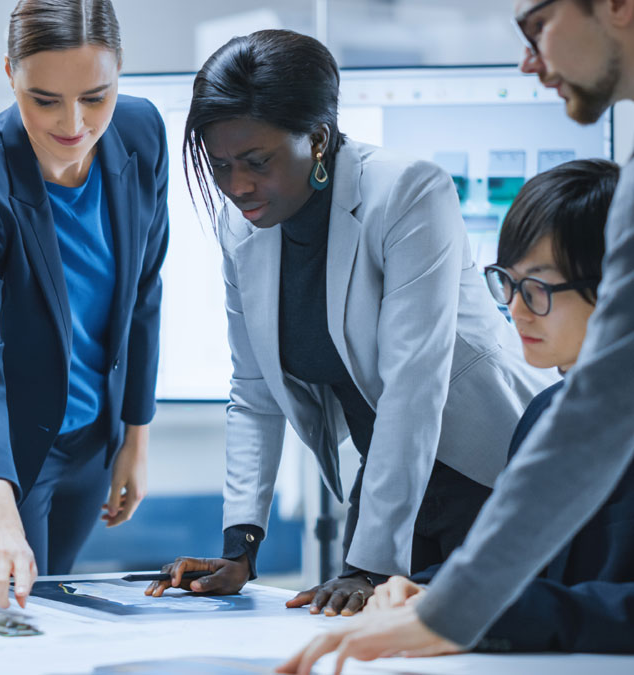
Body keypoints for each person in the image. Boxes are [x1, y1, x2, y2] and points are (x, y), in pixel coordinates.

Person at [147, 29, 554, 614]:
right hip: (386, 484)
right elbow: (255, 391)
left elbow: (413, 387)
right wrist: (241, 544)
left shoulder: (407, 192)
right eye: (221, 165)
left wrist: (368, 566)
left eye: (256, 162)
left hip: (490, 479)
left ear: (316, 139)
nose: (236, 187)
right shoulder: (243, 229)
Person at [280, 0, 634, 671]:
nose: (528, 60)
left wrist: (460, 611)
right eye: (509, 283)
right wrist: (441, 594)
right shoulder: (548, 413)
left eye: (537, 25)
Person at [0, 0, 169, 609]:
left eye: (95, 96)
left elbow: (143, 289)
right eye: (44, 100)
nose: (74, 124)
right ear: (11, 74)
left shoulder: (141, 132)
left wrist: (135, 433)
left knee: (55, 620)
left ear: (119, 74)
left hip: (90, 445)